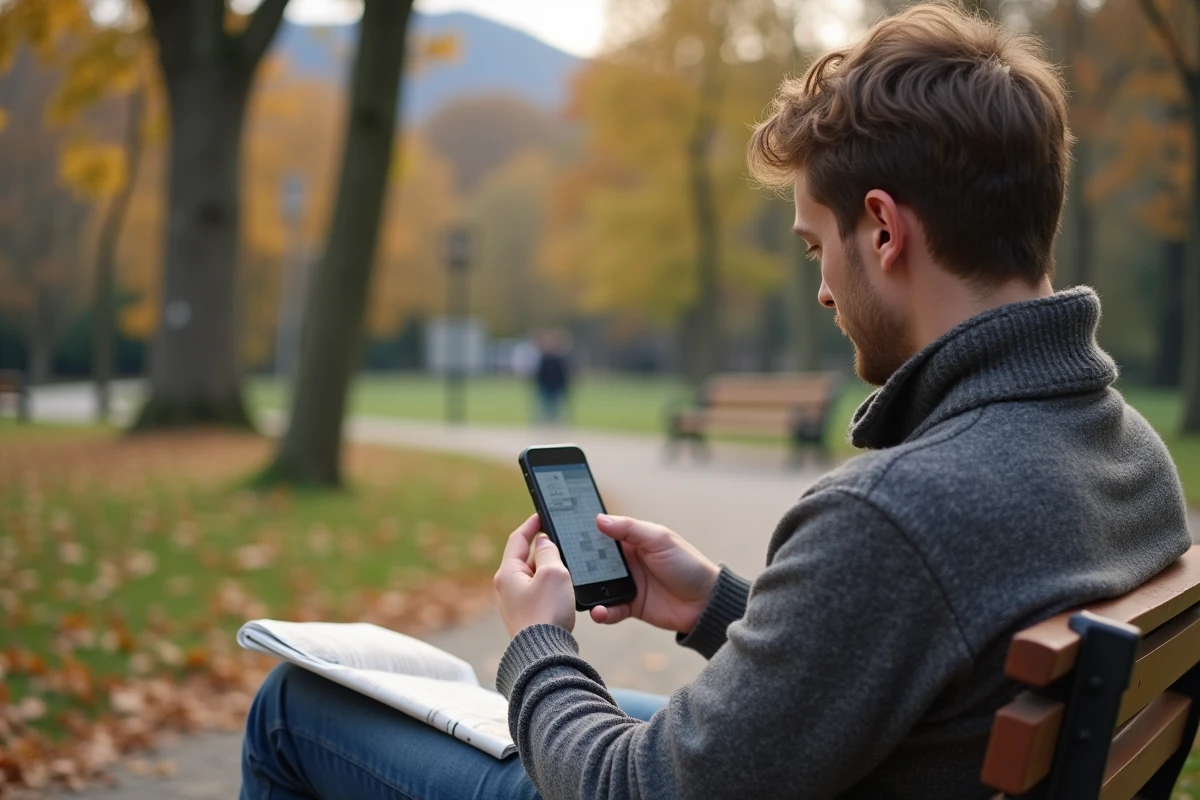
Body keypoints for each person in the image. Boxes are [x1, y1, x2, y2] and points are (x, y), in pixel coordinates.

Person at [239, 5, 1192, 798]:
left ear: (884, 231)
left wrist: (538, 644)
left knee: (297, 707)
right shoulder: (1129, 453)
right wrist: (719, 607)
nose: (822, 289)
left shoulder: (897, 517)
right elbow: (914, 659)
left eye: (817, 245)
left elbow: (633, 791)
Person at [532, 329, 571, 426]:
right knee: (542, 407)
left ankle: (555, 425)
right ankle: (542, 426)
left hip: (556, 387)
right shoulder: (544, 358)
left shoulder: (559, 358)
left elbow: (562, 374)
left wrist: (563, 386)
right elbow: (540, 373)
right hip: (545, 386)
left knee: (555, 408)